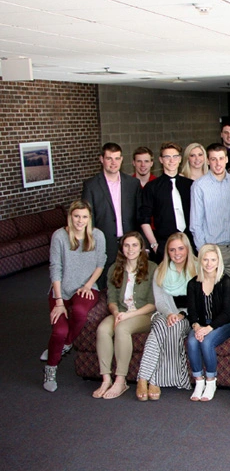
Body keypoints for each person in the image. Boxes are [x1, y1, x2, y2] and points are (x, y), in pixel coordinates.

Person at [42, 201, 106, 392]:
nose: (80, 220)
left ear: (89, 218)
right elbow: (56, 268)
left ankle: (66, 344)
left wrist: (87, 285)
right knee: (59, 331)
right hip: (62, 290)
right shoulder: (60, 236)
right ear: (70, 217)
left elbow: (100, 262)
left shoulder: (97, 235)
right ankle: (51, 368)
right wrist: (59, 301)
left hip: (87, 288)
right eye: (76, 216)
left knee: (79, 312)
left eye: (84, 216)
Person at [92, 232, 156, 400]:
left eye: (135, 245)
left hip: (144, 314)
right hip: (120, 312)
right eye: (127, 245)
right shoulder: (115, 268)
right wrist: (116, 313)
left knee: (122, 329)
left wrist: (128, 316)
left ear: (142, 247)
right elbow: (111, 299)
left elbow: (153, 303)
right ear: (122, 248)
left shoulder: (152, 268)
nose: (131, 249)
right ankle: (106, 378)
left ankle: (121, 380)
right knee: (103, 330)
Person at [136, 233, 197, 400]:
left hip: (188, 316)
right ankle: (145, 380)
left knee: (171, 327)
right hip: (164, 312)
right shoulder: (160, 270)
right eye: (172, 250)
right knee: (162, 325)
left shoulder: (198, 268)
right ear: (167, 252)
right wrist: (170, 313)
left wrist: (181, 314)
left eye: (180, 248)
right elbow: (160, 301)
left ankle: (149, 378)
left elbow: (200, 301)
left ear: (187, 249)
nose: (177, 253)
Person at [82, 142, 140, 289]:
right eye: (109, 158)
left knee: (130, 282)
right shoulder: (91, 185)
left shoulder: (133, 183)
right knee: (106, 285)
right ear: (101, 159)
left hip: (129, 242)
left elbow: (139, 215)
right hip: (104, 243)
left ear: (121, 159)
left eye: (117, 158)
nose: (113, 163)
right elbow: (88, 218)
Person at [186, 244, 230, 402]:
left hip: (223, 324)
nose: (209, 263)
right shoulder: (193, 284)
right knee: (192, 341)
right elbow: (192, 312)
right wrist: (196, 326)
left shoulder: (226, 282)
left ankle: (211, 381)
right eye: (205, 260)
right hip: (201, 324)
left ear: (218, 261)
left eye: (213, 260)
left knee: (207, 342)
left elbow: (227, 313)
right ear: (200, 261)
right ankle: (198, 381)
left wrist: (208, 328)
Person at [189, 144, 230, 278]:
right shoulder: (199, 186)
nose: (218, 163)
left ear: (226, 159)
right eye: (213, 159)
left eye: (221, 158)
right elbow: (195, 223)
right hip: (212, 250)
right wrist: (204, 251)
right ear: (208, 161)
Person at [139, 142, 194, 262]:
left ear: (180, 159)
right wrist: (154, 245)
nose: (171, 160)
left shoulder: (190, 185)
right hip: (164, 244)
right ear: (161, 160)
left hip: (189, 243)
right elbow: (144, 219)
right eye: (167, 157)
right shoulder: (152, 187)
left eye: (175, 157)